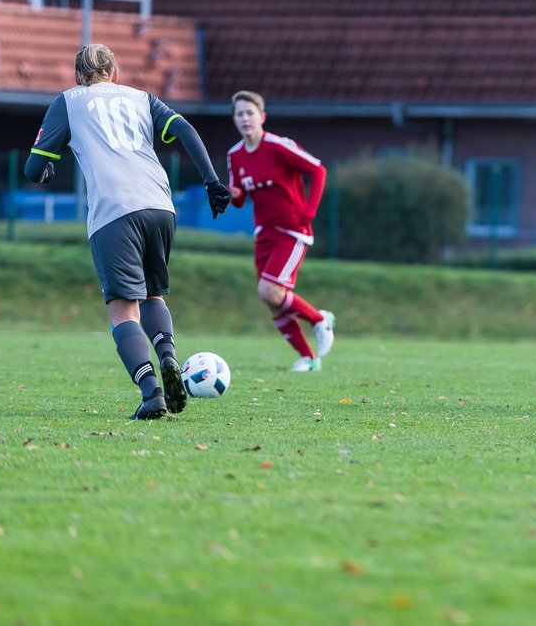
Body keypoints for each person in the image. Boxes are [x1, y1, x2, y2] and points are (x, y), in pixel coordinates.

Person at [24, 44, 232, 420]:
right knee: (153, 296)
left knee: (123, 311)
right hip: (160, 206)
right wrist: (212, 182)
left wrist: (45, 170)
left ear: (77, 76)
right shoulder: (141, 98)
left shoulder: (68, 101)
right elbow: (184, 128)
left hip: (114, 212)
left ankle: (152, 392)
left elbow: (33, 168)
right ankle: (168, 355)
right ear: (115, 72)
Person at [226, 90, 335, 372]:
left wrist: (309, 211)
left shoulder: (278, 146)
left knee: (270, 290)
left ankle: (319, 320)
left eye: (250, 113)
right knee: (271, 300)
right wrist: (233, 193)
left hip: (292, 230)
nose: (245, 118)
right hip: (264, 233)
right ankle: (309, 359)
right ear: (234, 119)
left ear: (262, 117)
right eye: (240, 114)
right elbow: (239, 201)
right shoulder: (234, 156)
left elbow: (318, 170)